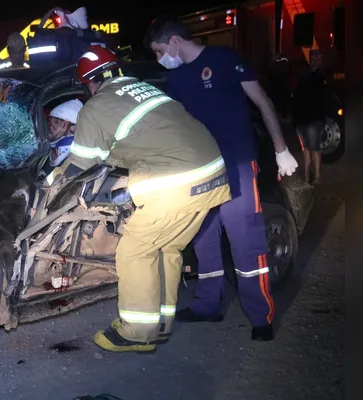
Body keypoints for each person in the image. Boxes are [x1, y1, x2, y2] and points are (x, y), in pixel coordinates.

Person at [58, 45, 232, 352]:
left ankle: (137, 333)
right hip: (213, 174)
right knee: (166, 247)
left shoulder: (95, 107)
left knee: (134, 251)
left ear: (90, 83)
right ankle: (160, 324)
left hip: (178, 182)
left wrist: (51, 181)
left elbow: (79, 165)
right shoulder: (143, 88)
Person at [144, 16, 298, 341]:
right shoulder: (177, 79)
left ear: (174, 41)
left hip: (237, 165)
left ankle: (261, 317)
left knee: (247, 243)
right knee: (205, 241)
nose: (160, 59)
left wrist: (281, 148)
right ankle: (207, 306)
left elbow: (263, 102)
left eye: (159, 51)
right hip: (200, 171)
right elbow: (178, 126)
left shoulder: (224, 60)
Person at [292, 61, 326, 184]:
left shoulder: (308, 83)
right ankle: (311, 175)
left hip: (310, 120)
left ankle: (314, 175)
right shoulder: (304, 83)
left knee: (310, 148)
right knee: (309, 148)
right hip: (306, 120)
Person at [45, 99, 82, 175]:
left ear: (72, 129)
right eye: (50, 120)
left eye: (57, 122)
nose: (51, 125)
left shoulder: (69, 146)